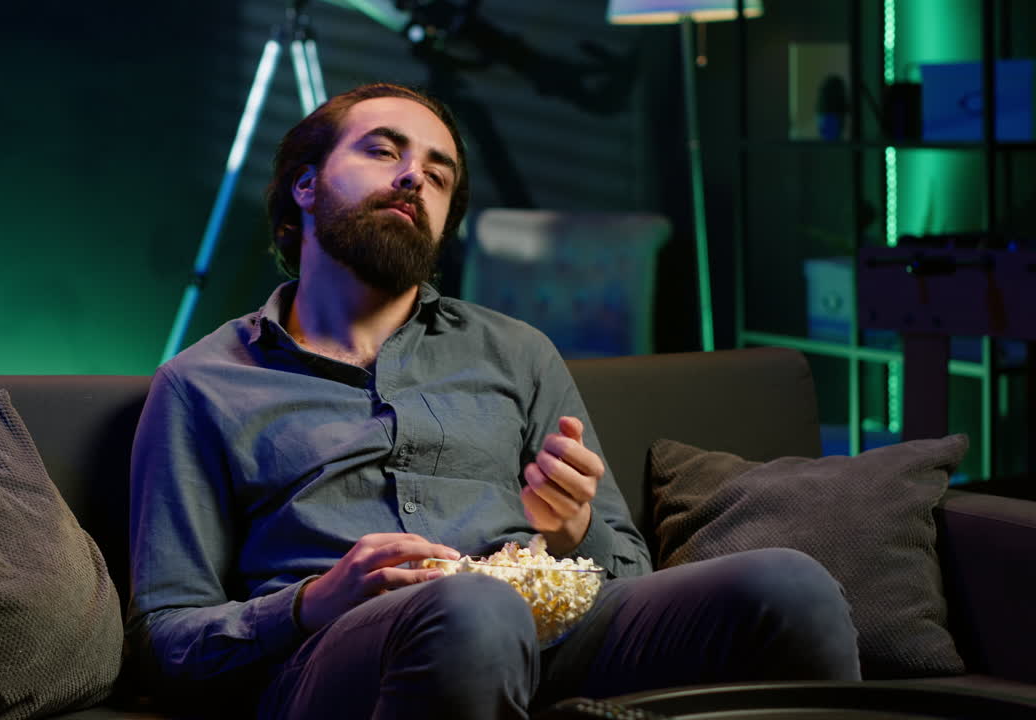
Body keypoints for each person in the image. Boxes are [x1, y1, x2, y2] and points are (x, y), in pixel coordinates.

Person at [127, 82, 860, 719]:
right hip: (335, 655)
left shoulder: (516, 351)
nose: (413, 177)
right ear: (306, 185)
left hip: (549, 630)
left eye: (438, 175)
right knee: (473, 611)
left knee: (787, 583)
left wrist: (574, 532)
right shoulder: (203, 383)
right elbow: (164, 639)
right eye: (383, 151)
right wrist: (313, 599)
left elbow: (628, 571)